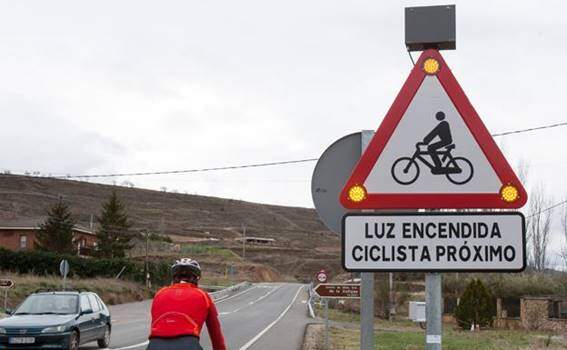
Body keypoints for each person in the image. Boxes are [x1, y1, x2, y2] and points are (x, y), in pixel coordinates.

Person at [147, 258, 226, 350]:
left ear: (174, 278)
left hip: (155, 345)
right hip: (188, 345)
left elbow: (154, 326)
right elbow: (216, 334)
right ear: (196, 278)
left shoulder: (159, 294)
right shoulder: (202, 295)